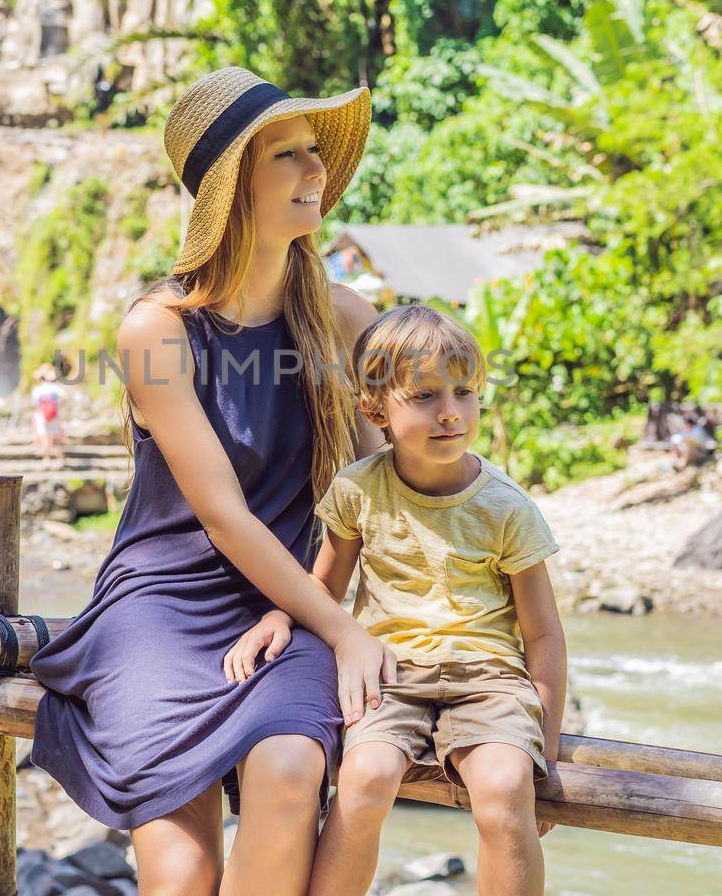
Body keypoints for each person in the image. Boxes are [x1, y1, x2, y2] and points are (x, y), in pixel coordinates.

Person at [29, 65, 385, 896]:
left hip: (286, 604)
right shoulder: (158, 330)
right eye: (287, 156)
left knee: (293, 767)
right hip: (162, 609)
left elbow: (386, 492)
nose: (315, 171)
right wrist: (342, 630)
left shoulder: (344, 318)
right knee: (185, 871)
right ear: (231, 190)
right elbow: (222, 515)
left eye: (313, 152)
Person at [225, 305, 568, 896]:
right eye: (426, 396)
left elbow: (542, 634)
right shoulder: (358, 489)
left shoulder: (506, 507)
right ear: (373, 408)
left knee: (505, 788)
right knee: (363, 779)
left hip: (488, 679)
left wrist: (548, 745)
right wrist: (278, 615)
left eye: (465, 392)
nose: (451, 413)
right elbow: (325, 586)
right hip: (390, 673)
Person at [29, 364, 66, 463]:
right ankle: (60, 459)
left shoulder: (37, 390)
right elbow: (62, 400)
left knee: (45, 437)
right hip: (55, 415)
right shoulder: (56, 389)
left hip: (42, 416)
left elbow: (36, 405)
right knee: (57, 438)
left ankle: (46, 458)